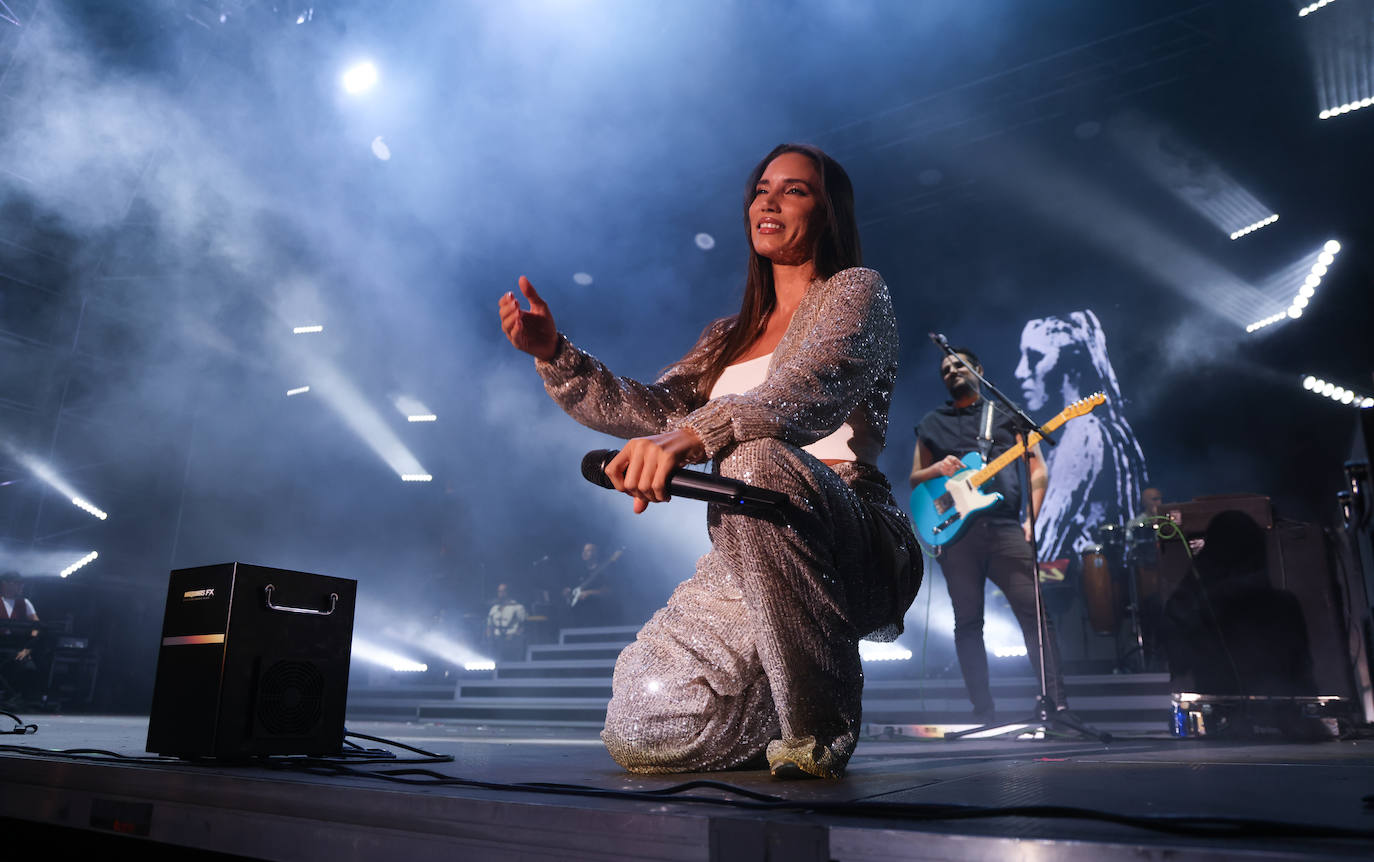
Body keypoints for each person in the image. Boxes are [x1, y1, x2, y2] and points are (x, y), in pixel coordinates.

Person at [498, 143, 921, 778]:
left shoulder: (857, 294)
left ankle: (818, 733)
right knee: (640, 727)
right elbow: (650, 410)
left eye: (795, 189)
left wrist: (687, 442)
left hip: (849, 533)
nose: (769, 200)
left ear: (830, 214)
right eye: (761, 188)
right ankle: (780, 707)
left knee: (754, 460)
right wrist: (557, 352)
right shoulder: (727, 338)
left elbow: (803, 391)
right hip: (749, 544)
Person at [911, 348, 1069, 720]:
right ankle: (983, 711)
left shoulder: (1007, 415)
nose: (951, 370)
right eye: (945, 368)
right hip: (956, 536)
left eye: (958, 364)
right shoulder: (933, 422)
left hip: (1004, 527)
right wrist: (936, 469)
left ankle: (1056, 703)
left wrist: (1033, 520)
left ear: (978, 371)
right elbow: (915, 477)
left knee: (1035, 616)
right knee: (968, 622)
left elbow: (1037, 470)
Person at [1013, 311, 1149, 563]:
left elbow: (1043, 542)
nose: (1020, 372)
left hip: (1081, 575)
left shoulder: (1084, 433)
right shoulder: (1091, 428)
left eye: (1035, 357)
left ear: (1069, 365)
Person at [0, 571, 42, 706]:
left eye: (21, 584)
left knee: (28, 667)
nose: (21, 587)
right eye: (17, 583)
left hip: (17, 646)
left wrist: (28, 647)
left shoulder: (25, 603)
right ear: (6, 583)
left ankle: (17, 698)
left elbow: (37, 625)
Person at [485, 583, 528, 663]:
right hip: (496, 642)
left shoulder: (518, 607)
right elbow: (489, 625)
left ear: (508, 592)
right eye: (499, 591)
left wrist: (515, 637)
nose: (501, 594)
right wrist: (489, 638)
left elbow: (523, 625)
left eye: (503, 591)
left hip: (512, 641)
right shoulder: (494, 608)